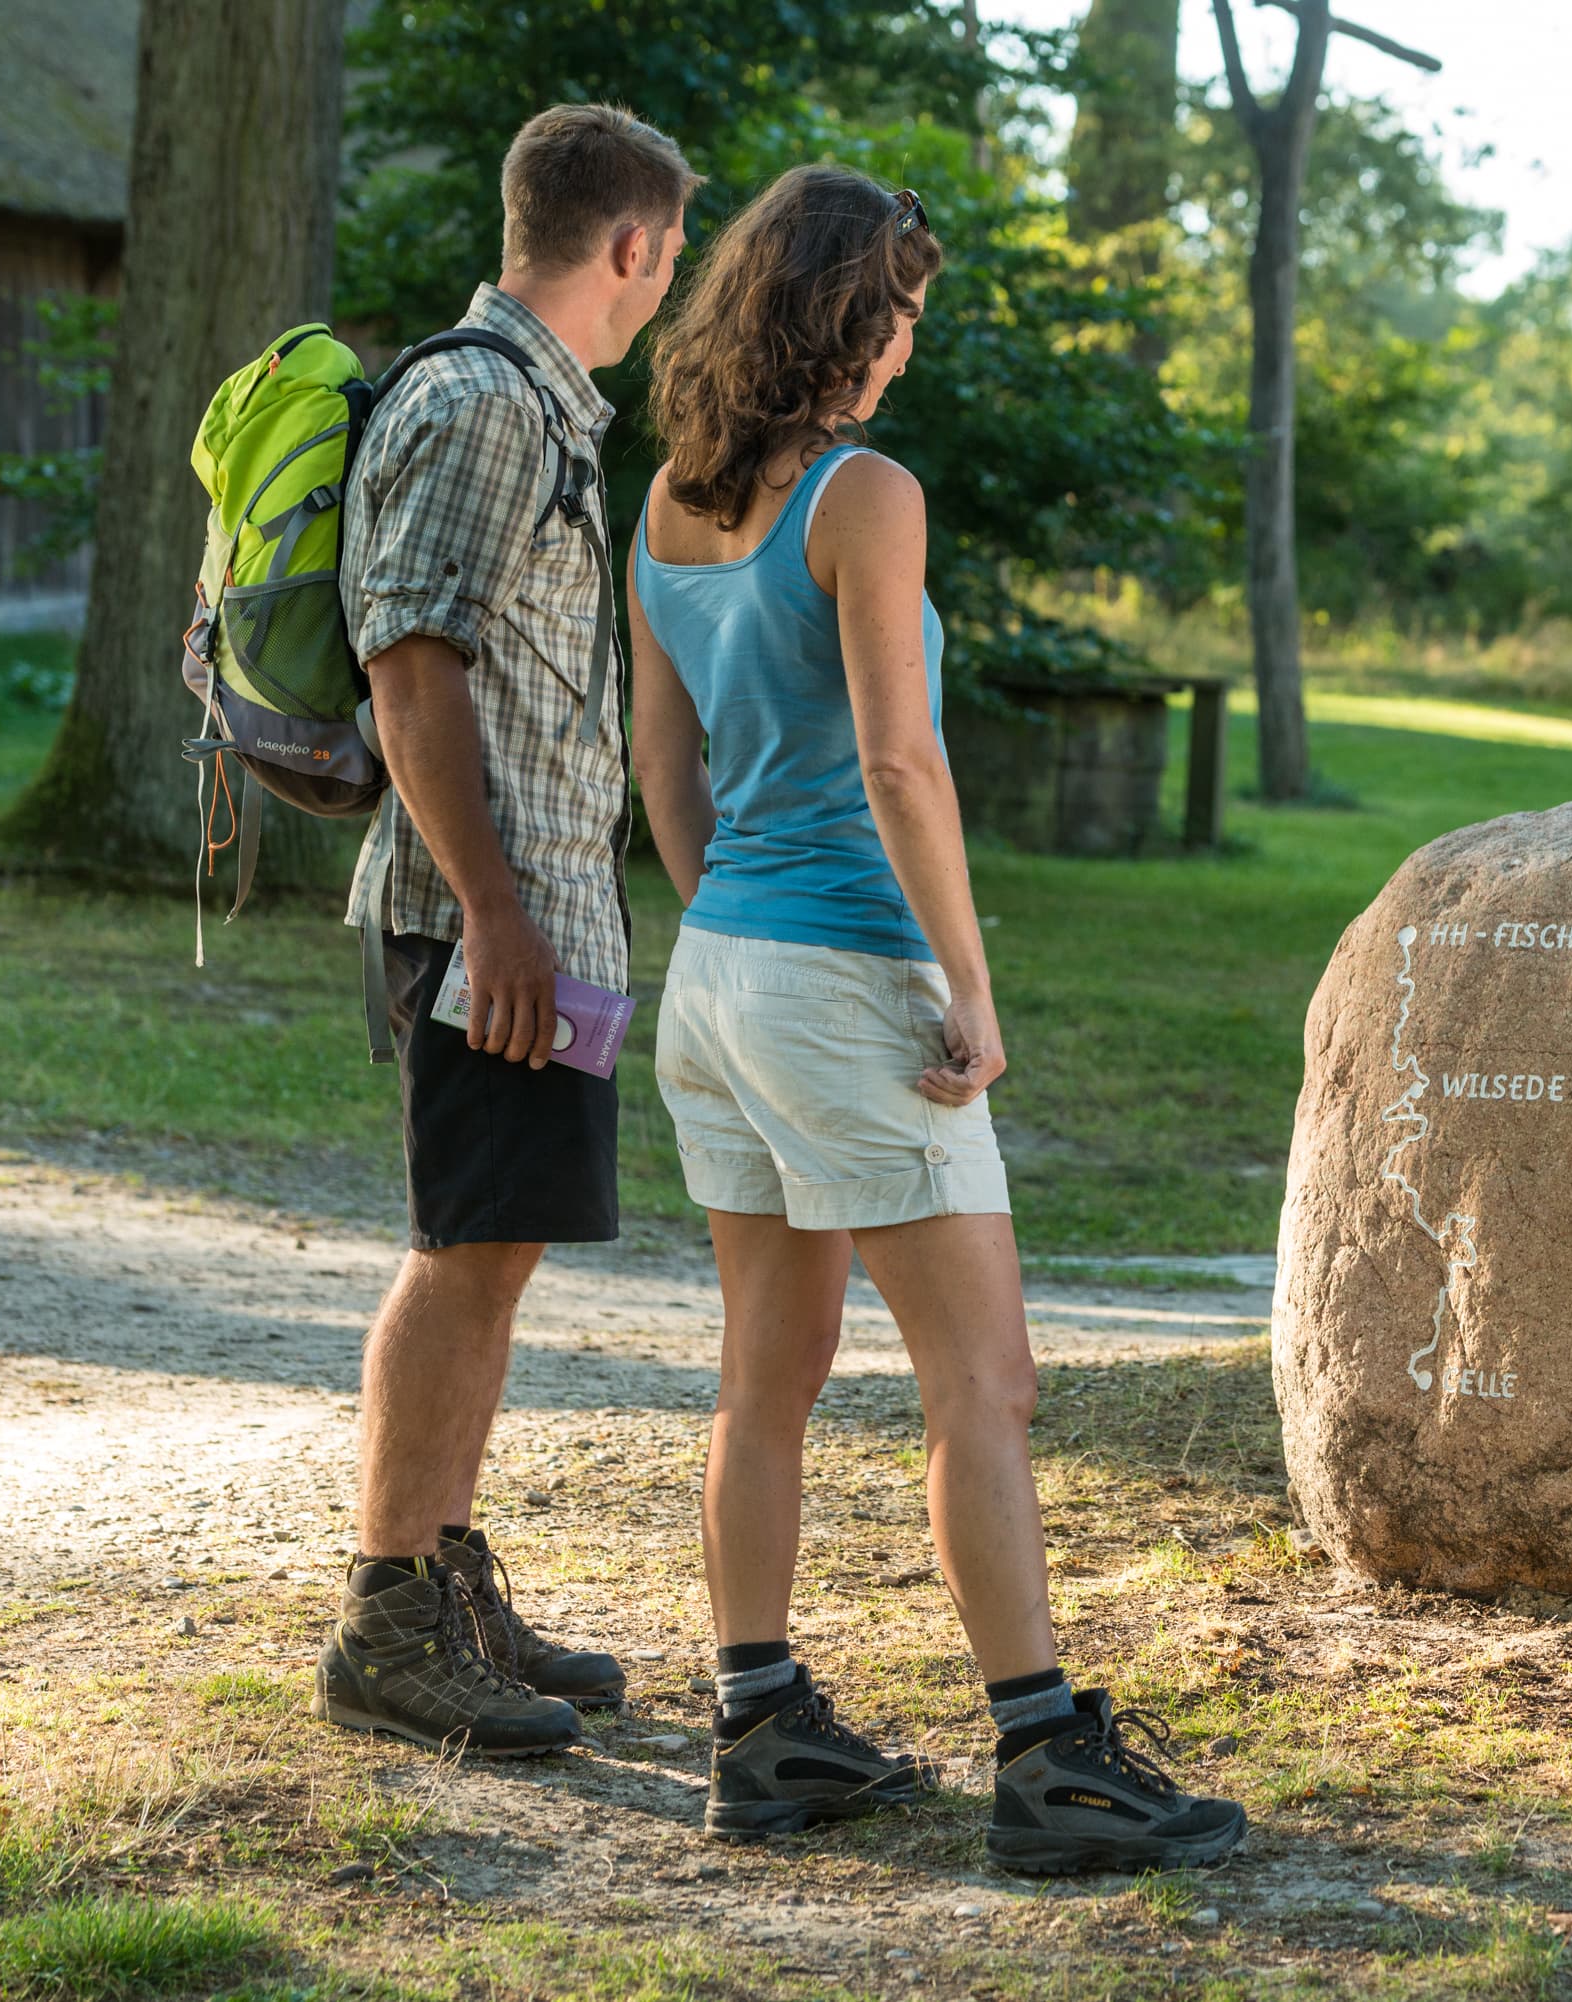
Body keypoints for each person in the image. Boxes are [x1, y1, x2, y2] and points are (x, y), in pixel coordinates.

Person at [628, 163, 1248, 1873]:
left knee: (768, 1376)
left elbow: (662, 771)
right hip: (844, 981)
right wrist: (964, 985)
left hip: (720, 978)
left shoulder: (670, 507)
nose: (907, 345)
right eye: (898, 312)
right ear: (846, 311)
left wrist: (727, 921)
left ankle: (759, 1731)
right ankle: (1046, 1756)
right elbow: (902, 761)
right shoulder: (864, 496)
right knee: (987, 1380)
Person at [311, 104, 698, 1758]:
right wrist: (494, 916)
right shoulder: (477, 403)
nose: (668, 285)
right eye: (669, 257)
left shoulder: (541, 412)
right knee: (463, 1245)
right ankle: (387, 1616)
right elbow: (412, 667)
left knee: (509, 1238)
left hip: (551, 927)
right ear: (629, 246)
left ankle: (449, 1575)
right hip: (491, 927)